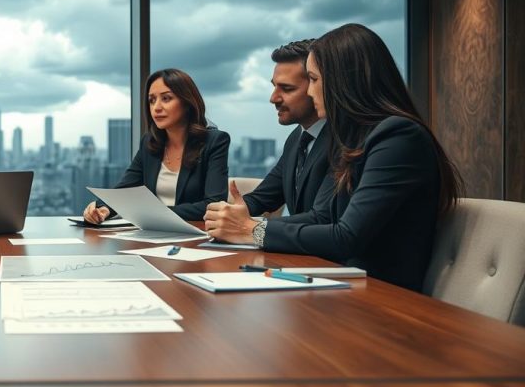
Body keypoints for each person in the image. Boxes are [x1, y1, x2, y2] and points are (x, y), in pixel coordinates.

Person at [204, 23, 463, 292]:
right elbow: (324, 219)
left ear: (343, 81)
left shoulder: (398, 137)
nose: (311, 91)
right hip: (338, 282)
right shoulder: (352, 139)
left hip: (381, 296)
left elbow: (345, 236)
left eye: (314, 80)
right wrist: (243, 224)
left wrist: (253, 230)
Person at [83, 68, 230, 223]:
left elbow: (214, 204)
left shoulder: (215, 141)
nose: (156, 107)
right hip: (153, 233)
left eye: (166, 99)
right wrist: (103, 209)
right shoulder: (150, 143)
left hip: (197, 236)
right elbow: (125, 190)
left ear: (187, 102)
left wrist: (153, 212)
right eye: (152, 100)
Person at [242, 39, 333, 220]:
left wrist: (253, 230)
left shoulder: (344, 141)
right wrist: (227, 211)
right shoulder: (298, 138)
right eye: (274, 86)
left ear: (318, 85)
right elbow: (263, 197)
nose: (273, 98)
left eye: (287, 88)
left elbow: (323, 219)